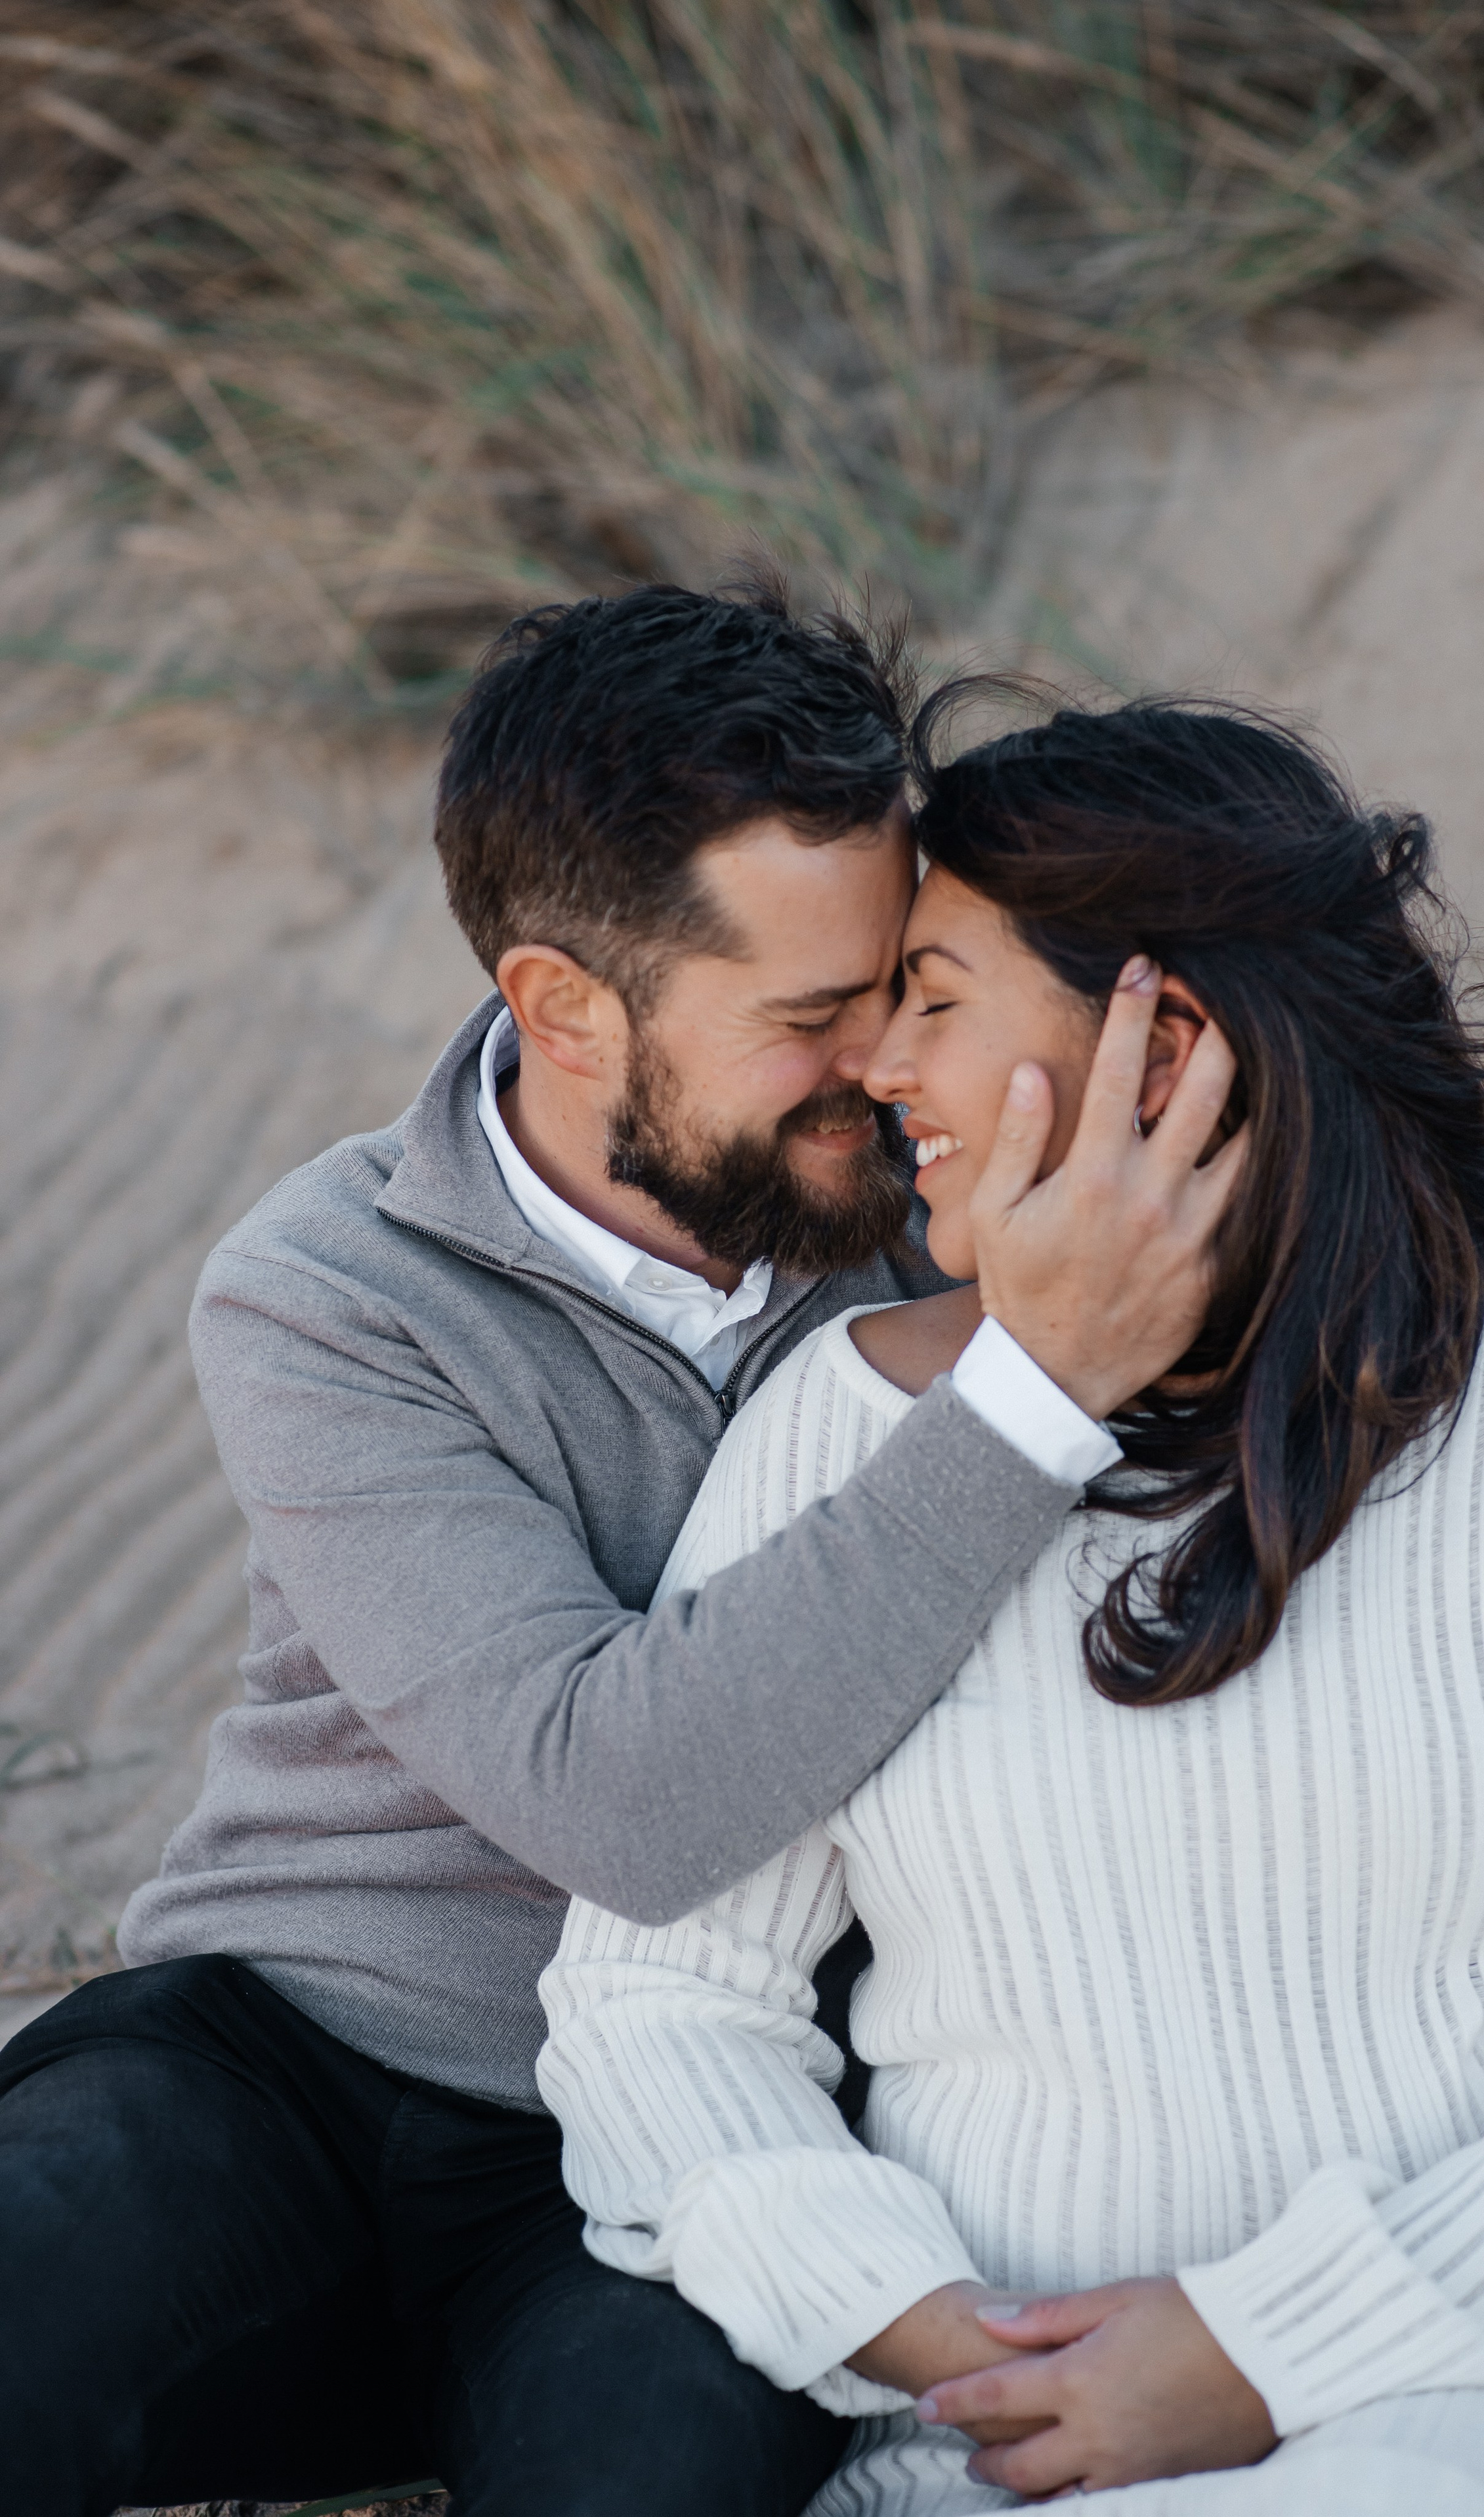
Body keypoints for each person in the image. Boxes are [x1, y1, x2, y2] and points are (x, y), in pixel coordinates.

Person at [0, 582, 1237, 2517]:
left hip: (698, 2136)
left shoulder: (967, 1220)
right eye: (812, 1016)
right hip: (289, 2068)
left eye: (902, 984)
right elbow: (625, 1800)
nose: (885, 1065)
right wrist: (1029, 1391)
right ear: (564, 1007)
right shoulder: (332, 1296)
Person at [539, 696, 1484, 2515]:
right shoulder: (841, 1431)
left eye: (935, 996)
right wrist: (949, 2338)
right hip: (987, 2451)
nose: (877, 1072)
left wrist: (1261, 2345)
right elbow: (661, 2008)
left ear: (1172, 1046)